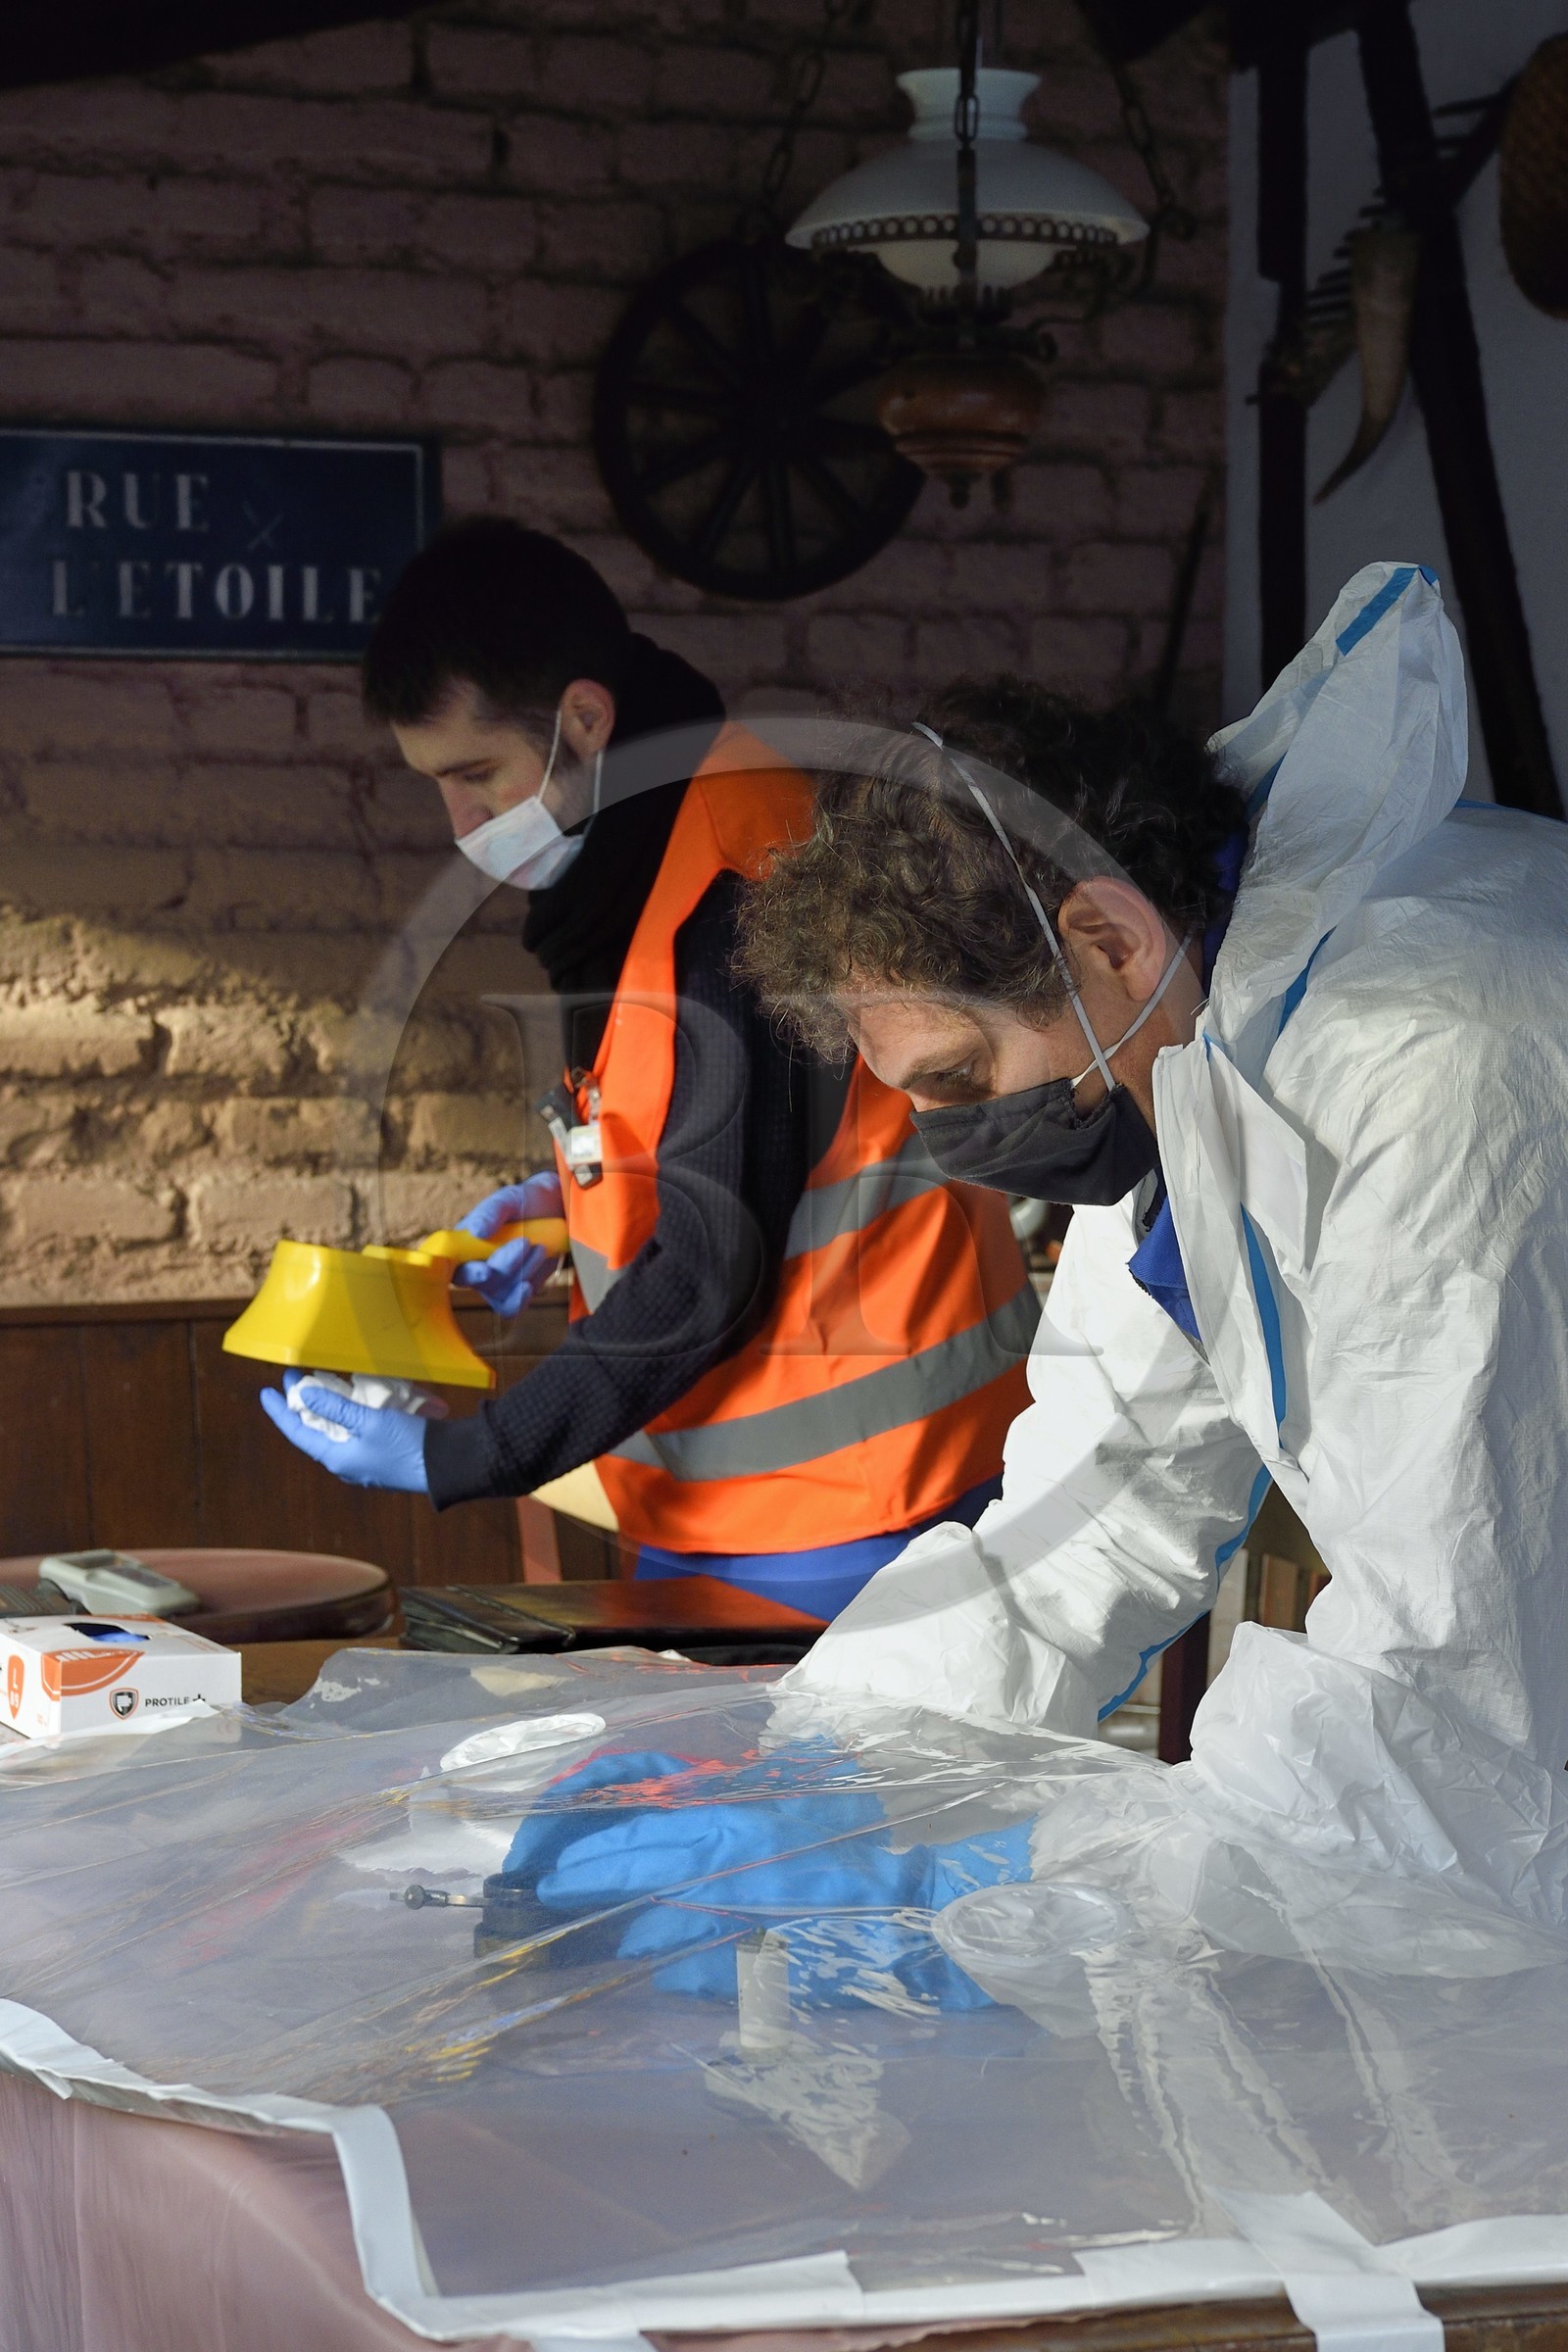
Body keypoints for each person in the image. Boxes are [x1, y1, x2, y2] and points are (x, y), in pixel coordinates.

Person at [492, 562, 1568, 1983]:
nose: (956, 1142)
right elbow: (1089, 1525)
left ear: (1105, 939)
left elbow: (1448, 1714)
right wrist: (810, 1770)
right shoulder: (1188, 1045)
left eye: (960, 1076)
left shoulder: (1433, 1059)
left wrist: (1000, 1892)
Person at [260, 518, 1037, 1620]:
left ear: (583, 717)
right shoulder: (633, 857)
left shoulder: (737, 870)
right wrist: (559, 1211)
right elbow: (724, 1140)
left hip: (860, 1513)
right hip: (723, 1503)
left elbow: (712, 1261)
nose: (461, 821)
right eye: (437, 782)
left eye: (477, 771)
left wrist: (469, 1456)